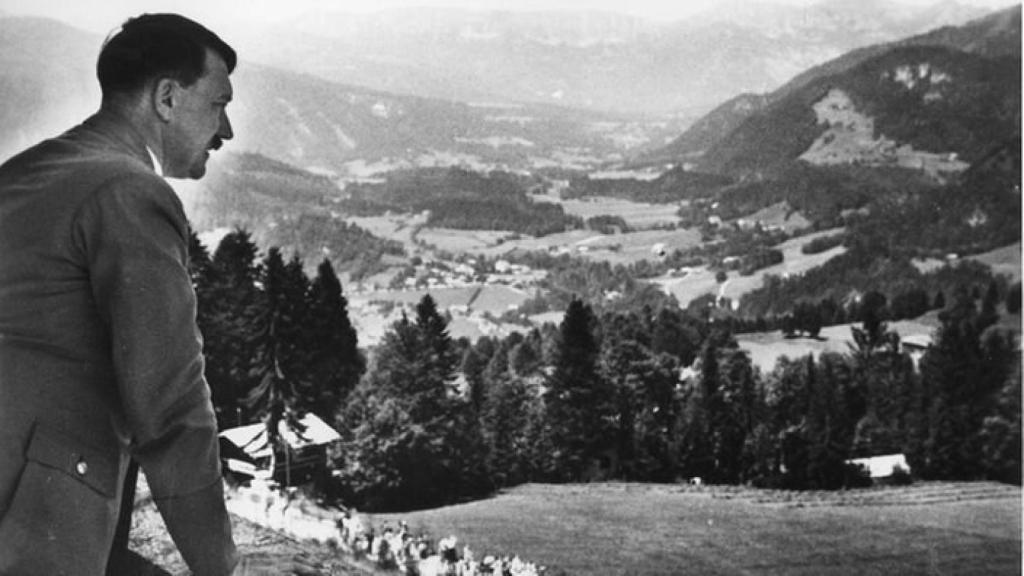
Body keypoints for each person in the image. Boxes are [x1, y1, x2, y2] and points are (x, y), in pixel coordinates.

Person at [0, 13, 239, 575]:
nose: (225, 132)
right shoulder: (131, 190)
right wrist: (219, 565)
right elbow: (172, 405)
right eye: (219, 104)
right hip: (32, 522)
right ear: (167, 98)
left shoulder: (25, 173)